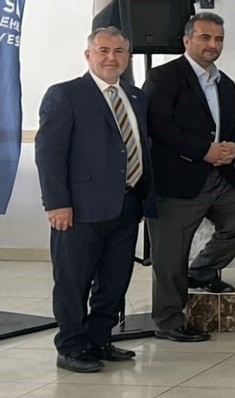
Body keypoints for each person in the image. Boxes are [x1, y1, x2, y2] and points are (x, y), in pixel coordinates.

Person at [36, 27, 155, 372]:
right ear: (88, 55)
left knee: (115, 279)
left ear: (127, 57)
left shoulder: (135, 96)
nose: (111, 58)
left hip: (127, 205)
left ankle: (100, 339)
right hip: (79, 209)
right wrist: (57, 203)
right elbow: (49, 154)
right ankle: (71, 347)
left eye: (119, 51)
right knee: (73, 282)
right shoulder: (66, 95)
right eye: (103, 51)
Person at [143, 12, 235, 342]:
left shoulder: (226, 83)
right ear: (187, 40)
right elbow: (159, 126)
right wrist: (203, 150)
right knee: (169, 257)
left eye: (218, 39)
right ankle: (168, 321)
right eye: (205, 38)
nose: (213, 45)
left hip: (219, 177)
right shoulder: (164, 77)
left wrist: (234, 146)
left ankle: (203, 270)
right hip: (176, 181)